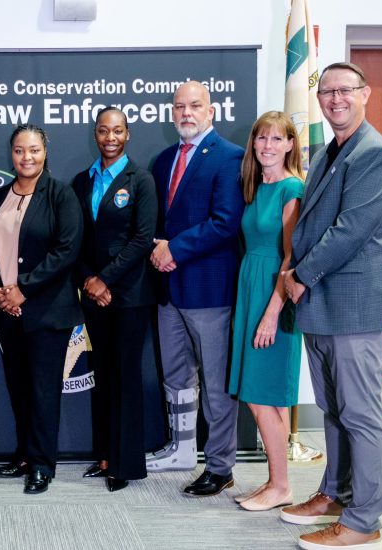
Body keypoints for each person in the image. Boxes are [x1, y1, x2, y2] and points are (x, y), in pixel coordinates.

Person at [280, 62, 382, 550]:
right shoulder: (330, 150)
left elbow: (349, 232)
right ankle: (335, 493)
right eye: (327, 91)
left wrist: (299, 276)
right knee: (334, 409)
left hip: (353, 304)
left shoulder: (374, 154)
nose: (335, 99)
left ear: (365, 93)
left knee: (361, 415)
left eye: (344, 90)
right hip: (323, 303)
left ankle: (364, 521)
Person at [147, 81, 245, 497]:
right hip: (169, 292)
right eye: (179, 106)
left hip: (209, 291)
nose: (186, 112)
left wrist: (175, 251)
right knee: (176, 375)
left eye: (195, 105)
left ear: (212, 110)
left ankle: (221, 466)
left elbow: (226, 222)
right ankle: (183, 449)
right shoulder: (163, 159)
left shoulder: (231, 158)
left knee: (218, 385)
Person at [0, 124, 83, 494]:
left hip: (45, 311)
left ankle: (43, 464)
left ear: (45, 152)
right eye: (19, 151)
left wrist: (23, 290)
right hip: (6, 311)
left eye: (34, 150)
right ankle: (25, 453)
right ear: (10, 154)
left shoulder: (61, 195)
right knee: (19, 387)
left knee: (43, 391)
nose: (26, 157)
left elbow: (66, 251)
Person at [71, 107, 158, 492]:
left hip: (130, 295)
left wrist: (104, 279)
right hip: (94, 295)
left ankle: (125, 464)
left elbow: (142, 238)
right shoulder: (82, 181)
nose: (110, 137)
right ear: (95, 134)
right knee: (103, 374)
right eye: (104, 131)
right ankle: (105, 454)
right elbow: (74, 240)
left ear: (128, 135)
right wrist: (90, 279)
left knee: (125, 376)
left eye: (118, 131)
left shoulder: (141, 180)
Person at [227, 111, 304, 511]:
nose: (267, 146)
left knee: (263, 396)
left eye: (277, 139)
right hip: (251, 288)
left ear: (291, 144)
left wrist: (272, 313)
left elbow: (291, 258)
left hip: (274, 295)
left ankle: (282, 487)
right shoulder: (258, 187)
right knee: (259, 394)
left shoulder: (292, 188)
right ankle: (276, 482)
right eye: (261, 138)